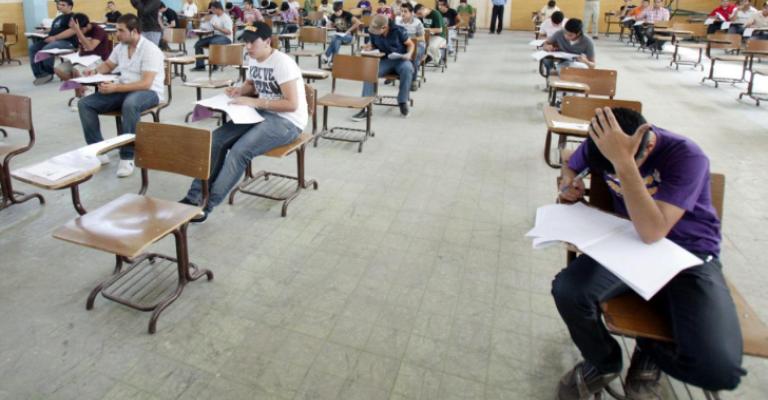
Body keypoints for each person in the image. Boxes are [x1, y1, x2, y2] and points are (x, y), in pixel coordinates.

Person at [553, 107, 746, 400]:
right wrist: (569, 181)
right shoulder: (602, 143)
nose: (614, 173)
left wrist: (624, 163)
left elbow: (653, 231)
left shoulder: (687, 156)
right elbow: (571, 163)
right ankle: (604, 361)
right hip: (630, 245)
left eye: (623, 164)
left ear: (649, 143)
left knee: (719, 370)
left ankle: (649, 348)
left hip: (688, 255)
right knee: (568, 291)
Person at [180, 22, 307, 223]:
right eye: (245, 42)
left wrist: (254, 102)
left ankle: (208, 204)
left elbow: (291, 104)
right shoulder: (254, 58)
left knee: (240, 151)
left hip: (287, 121)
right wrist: (240, 91)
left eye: (252, 42)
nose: (248, 47)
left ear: (267, 41)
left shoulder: (283, 63)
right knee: (215, 140)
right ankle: (194, 196)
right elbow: (252, 84)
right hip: (262, 112)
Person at [77, 13, 165, 178]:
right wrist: (93, 72)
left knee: (130, 104)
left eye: (121, 30)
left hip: (149, 92)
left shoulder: (150, 50)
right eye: (117, 30)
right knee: (85, 104)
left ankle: (127, 156)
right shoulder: (121, 47)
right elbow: (108, 65)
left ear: (134, 31)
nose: (117, 34)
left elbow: (146, 83)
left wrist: (116, 87)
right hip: (124, 89)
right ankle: (99, 150)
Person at [350, 14, 413, 121]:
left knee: (407, 69)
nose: (374, 32)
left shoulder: (399, 31)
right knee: (370, 72)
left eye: (376, 30)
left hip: (400, 60)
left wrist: (409, 54)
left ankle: (402, 102)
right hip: (384, 60)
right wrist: (369, 47)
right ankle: (366, 107)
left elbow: (410, 44)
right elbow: (373, 45)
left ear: (384, 27)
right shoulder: (373, 32)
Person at [54, 13, 112, 109]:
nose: (78, 32)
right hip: (83, 58)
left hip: (98, 59)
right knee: (58, 69)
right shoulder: (80, 29)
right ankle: (83, 89)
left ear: (86, 26)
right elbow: (78, 43)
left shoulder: (98, 31)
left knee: (76, 70)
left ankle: (80, 96)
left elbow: (90, 47)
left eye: (80, 29)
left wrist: (78, 31)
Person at [29, 0, 76, 86]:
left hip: (67, 42)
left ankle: (48, 72)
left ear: (70, 6)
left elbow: (72, 31)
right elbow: (55, 28)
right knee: (33, 48)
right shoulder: (59, 17)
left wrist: (55, 38)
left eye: (63, 5)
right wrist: (44, 31)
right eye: (59, 5)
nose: (59, 6)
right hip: (54, 40)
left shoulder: (73, 17)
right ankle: (40, 74)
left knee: (47, 48)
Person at [192, 1, 233, 70]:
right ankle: (200, 66)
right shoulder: (214, 17)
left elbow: (229, 32)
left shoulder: (226, 18)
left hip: (226, 38)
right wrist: (205, 30)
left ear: (218, 8)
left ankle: (215, 64)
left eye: (213, 9)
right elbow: (211, 27)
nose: (212, 11)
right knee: (198, 44)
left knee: (213, 43)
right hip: (215, 37)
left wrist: (218, 28)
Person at [396, 2, 424, 91]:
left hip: (417, 44)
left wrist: (410, 39)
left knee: (413, 55)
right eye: (401, 11)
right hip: (403, 45)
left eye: (405, 11)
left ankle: (413, 80)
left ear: (411, 13)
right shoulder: (398, 22)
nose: (403, 13)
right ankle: (395, 74)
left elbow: (422, 38)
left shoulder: (417, 22)